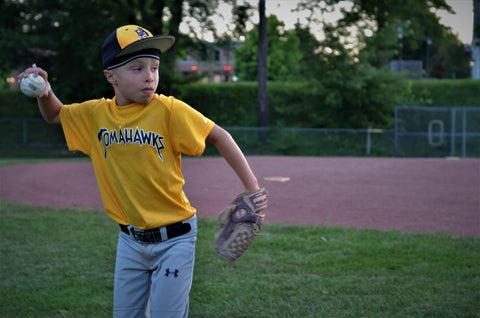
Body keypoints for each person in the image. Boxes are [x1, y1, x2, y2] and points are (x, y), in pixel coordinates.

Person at [18, 24, 261, 318]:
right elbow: (56, 114)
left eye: (154, 68)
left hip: (176, 239)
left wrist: (253, 190)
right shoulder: (97, 115)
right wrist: (45, 92)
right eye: (137, 68)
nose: (149, 76)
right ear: (111, 75)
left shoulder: (169, 110)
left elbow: (220, 135)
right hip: (130, 242)